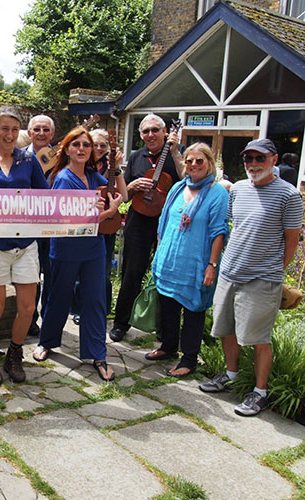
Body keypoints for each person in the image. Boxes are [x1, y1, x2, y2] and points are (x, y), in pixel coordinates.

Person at [199, 138, 303, 416]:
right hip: (230, 271)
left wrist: (275, 272)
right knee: (226, 329)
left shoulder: (289, 195)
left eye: (260, 158)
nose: (253, 164)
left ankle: (260, 392)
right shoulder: (239, 190)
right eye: (249, 159)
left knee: (258, 338)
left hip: (262, 279)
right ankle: (231, 375)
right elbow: (236, 225)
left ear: (274, 159)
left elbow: (291, 241)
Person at [32, 127, 123, 382]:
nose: (81, 149)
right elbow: (69, 219)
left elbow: (122, 195)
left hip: (93, 248)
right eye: (76, 145)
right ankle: (47, 342)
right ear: (68, 149)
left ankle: (98, 354)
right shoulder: (63, 178)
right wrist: (106, 213)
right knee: (59, 296)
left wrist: (118, 169)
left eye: (86, 145)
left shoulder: (94, 177)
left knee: (94, 301)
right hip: (66, 247)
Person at [0, 105, 49, 386]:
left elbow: (46, 199)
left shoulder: (29, 162)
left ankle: (14, 354)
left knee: (27, 307)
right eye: (5, 128)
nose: (10, 134)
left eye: (15, 129)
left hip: (25, 244)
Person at [145, 143, 229, 376]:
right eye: (189, 161)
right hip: (170, 260)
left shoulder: (217, 193)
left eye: (199, 161)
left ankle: (189, 359)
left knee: (193, 310)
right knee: (168, 306)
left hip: (196, 263)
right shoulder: (177, 188)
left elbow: (218, 231)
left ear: (210, 163)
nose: (193, 165)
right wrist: (159, 254)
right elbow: (164, 222)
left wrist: (211, 265)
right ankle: (169, 347)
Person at [110, 114, 184, 342]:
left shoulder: (176, 154)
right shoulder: (136, 156)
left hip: (167, 222)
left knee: (165, 274)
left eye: (155, 130)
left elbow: (187, 179)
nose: (150, 135)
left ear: (164, 132)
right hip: (139, 219)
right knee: (131, 272)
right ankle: (121, 322)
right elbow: (123, 194)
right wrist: (132, 185)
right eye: (145, 131)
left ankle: (165, 329)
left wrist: (175, 152)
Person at [71, 129, 127, 324]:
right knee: (80, 272)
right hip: (85, 226)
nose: (99, 148)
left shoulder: (109, 166)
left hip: (106, 227)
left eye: (104, 145)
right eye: (95, 144)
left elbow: (124, 196)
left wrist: (117, 169)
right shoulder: (82, 167)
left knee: (102, 272)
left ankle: (100, 309)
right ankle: (78, 308)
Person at [24, 115, 56, 336]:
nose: (41, 133)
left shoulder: (63, 157)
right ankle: (29, 320)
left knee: (52, 274)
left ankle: (50, 320)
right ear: (29, 133)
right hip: (28, 224)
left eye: (46, 129)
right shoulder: (18, 156)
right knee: (31, 274)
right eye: (37, 129)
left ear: (52, 134)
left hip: (54, 224)